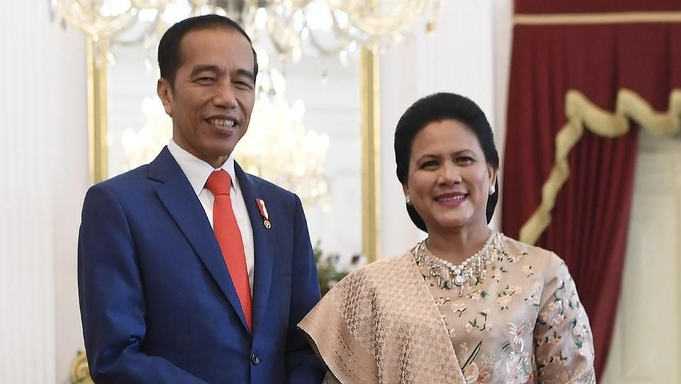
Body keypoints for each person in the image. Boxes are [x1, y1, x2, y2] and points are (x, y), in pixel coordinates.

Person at [78, 14, 325, 384]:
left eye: (242, 82)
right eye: (206, 78)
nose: (227, 98)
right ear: (166, 93)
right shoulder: (118, 206)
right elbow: (116, 357)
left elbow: (305, 344)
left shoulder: (283, 208)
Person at [299, 92, 596, 383]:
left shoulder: (542, 273)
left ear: (491, 173)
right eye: (430, 164)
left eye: (463, 159)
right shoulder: (370, 290)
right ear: (406, 186)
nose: (448, 176)